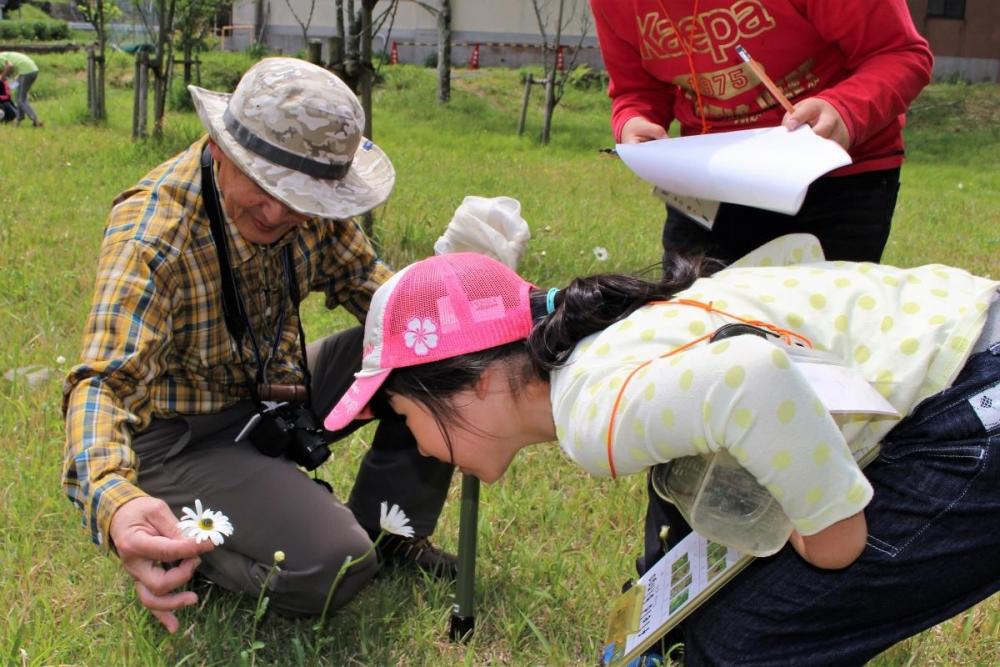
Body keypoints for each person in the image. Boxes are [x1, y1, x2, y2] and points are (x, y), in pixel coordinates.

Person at [324, 237, 1000, 664]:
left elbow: (754, 380)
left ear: (471, 382)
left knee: (741, 646)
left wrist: (832, 528)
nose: (412, 440)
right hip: (963, 346)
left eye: (406, 414)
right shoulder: (605, 342)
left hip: (970, 409)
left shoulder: (589, 415)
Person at [62, 57, 457, 635]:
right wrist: (115, 501)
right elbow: (104, 384)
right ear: (221, 150)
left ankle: (390, 527)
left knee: (425, 346)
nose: (277, 212)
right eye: (264, 186)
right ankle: (181, 539)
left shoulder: (313, 207)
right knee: (340, 565)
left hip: (272, 390)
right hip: (181, 438)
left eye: (298, 199)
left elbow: (378, 295)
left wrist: (472, 327)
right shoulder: (154, 236)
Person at [589, 0, 933, 264]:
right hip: (707, 176)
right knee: (692, 322)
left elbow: (900, 53)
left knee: (813, 331)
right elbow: (636, 89)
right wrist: (633, 120)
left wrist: (845, 110)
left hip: (834, 173)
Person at [0, 51, 43, 127]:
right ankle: (18, 120)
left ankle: (36, 120)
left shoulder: (0, 58)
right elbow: (11, 71)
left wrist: (2, 77)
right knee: (18, 95)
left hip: (26, 72)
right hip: (32, 70)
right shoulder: (4, 57)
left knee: (21, 99)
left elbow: (10, 66)